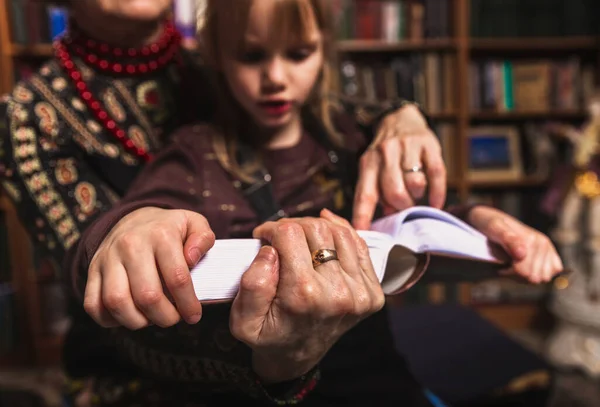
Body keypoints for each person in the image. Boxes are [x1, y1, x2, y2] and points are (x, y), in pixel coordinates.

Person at [64, 0, 563, 405]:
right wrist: (134, 223)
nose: (276, 77)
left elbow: (419, 216)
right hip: (258, 385)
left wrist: (482, 219)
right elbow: (147, 206)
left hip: (376, 369)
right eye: (252, 56)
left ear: (325, 51)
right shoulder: (194, 149)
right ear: (216, 57)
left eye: (298, 53)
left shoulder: (348, 137)